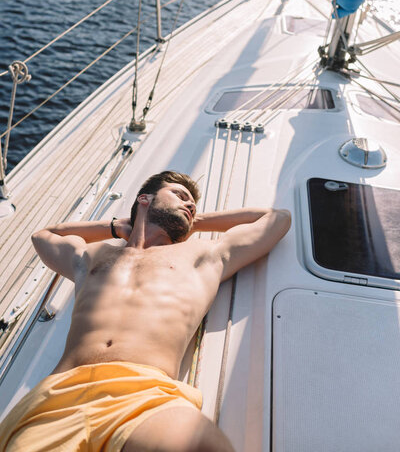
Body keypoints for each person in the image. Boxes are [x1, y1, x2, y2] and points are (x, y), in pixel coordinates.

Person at [0, 170, 291, 452]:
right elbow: (44, 235)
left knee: (202, 445)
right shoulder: (95, 256)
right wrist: (117, 227)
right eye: (179, 195)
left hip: (145, 393)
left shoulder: (203, 255)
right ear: (144, 199)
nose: (189, 204)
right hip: (61, 395)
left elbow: (277, 219)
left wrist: (193, 220)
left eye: (192, 203)